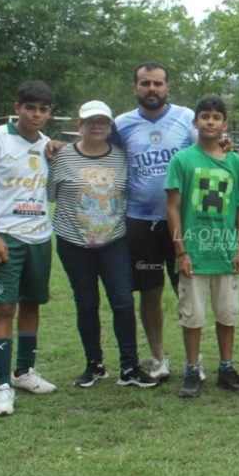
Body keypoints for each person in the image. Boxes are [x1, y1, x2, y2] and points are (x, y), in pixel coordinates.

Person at [49, 101, 157, 389]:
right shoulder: (62, 157)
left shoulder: (122, 157)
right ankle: (94, 365)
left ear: (110, 126)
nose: (97, 127)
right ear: (79, 123)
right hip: (74, 242)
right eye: (90, 121)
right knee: (86, 304)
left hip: (114, 241)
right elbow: (51, 194)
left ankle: (130, 367)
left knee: (122, 302)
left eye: (102, 122)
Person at [165, 96, 239, 398]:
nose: (210, 122)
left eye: (216, 117)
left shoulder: (235, 163)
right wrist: (181, 251)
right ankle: (192, 369)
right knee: (192, 315)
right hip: (194, 253)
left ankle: (226, 368)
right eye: (204, 116)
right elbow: (173, 207)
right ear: (195, 122)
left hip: (225, 253)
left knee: (227, 314)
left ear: (225, 124)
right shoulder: (182, 160)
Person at [113, 62, 196, 380]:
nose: (152, 89)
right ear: (135, 87)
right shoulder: (120, 125)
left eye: (157, 83)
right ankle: (158, 357)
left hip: (181, 221)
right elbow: (99, 153)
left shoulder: (187, 118)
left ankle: (194, 358)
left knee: (186, 288)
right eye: (145, 83)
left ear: (167, 87)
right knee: (149, 291)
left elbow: (209, 149)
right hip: (140, 221)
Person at [0, 81, 58, 416]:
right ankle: (2, 384)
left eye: (43, 109)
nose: (36, 115)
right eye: (30, 108)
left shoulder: (47, 145)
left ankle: (24, 371)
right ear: (17, 108)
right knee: (4, 307)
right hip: (6, 235)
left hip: (40, 236)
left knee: (32, 303)